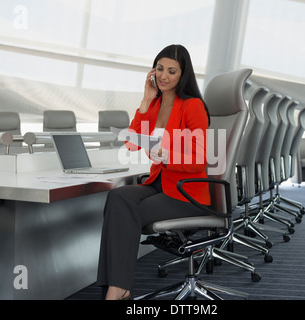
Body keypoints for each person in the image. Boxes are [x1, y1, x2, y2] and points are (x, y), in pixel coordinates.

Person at [96, 44, 211, 300]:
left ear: (183, 75)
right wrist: (146, 100)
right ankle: (118, 287)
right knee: (117, 197)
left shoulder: (192, 106)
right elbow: (131, 142)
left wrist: (169, 156)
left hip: (186, 192)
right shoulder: (156, 104)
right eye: (159, 68)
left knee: (128, 211)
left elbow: (201, 159)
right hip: (160, 182)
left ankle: (117, 289)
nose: (163, 76)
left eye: (172, 71)